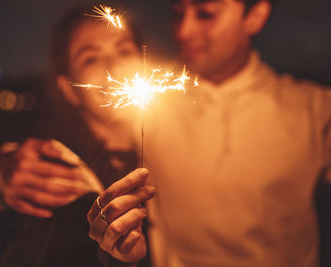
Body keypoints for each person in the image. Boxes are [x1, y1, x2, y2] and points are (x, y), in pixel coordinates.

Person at [88, 0, 331, 266]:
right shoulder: (149, 107)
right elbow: (85, 140)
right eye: (177, 14)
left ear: (255, 16)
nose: (183, 31)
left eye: (206, 14)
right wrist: (36, 163)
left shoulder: (314, 108)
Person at [0, 6, 155, 267]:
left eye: (124, 51)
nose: (113, 67)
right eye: (90, 59)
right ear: (69, 89)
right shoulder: (57, 177)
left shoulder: (179, 146)